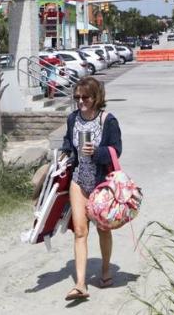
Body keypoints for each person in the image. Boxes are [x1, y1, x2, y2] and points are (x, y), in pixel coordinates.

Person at [59, 76, 123, 302]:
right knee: (79, 231)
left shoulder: (108, 120)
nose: (80, 101)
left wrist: (97, 152)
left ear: (96, 98)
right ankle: (80, 284)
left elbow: (116, 150)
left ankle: (105, 271)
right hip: (79, 180)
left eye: (85, 97)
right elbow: (68, 143)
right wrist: (63, 154)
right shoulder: (72, 119)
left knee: (103, 229)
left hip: (101, 182)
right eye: (77, 97)